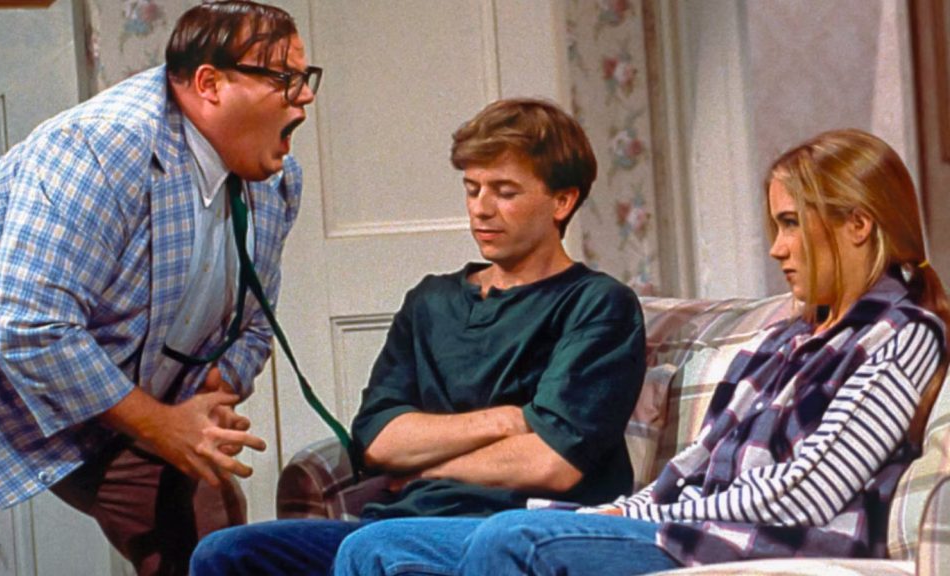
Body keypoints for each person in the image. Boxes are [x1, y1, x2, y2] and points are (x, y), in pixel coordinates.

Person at [331, 128, 950, 576]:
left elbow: (808, 491)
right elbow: (690, 466)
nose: (776, 248)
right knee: (375, 546)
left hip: (761, 542)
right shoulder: (786, 339)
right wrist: (615, 511)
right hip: (689, 526)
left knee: (513, 538)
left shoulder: (904, 334)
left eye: (790, 223)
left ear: (858, 225)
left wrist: (645, 519)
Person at [0, 2, 320, 574]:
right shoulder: (102, 147)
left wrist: (208, 397)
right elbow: (28, 325)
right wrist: (162, 425)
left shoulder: (274, 181)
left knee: (210, 535)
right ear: (210, 84)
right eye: (283, 78)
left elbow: (254, 324)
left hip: (105, 390)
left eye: (305, 78)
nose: (304, 96)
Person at [190, 98, 647, 574]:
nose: (481, 209)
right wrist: (509, 420)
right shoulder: (431, 300)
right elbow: (378, 440)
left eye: (505, 192)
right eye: (472, 189)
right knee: (226, 552)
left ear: (562, 201)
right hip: (400, 522)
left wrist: (431, 467)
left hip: (512, 530)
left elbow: (553, 461)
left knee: (374, 547)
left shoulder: (597, 305)